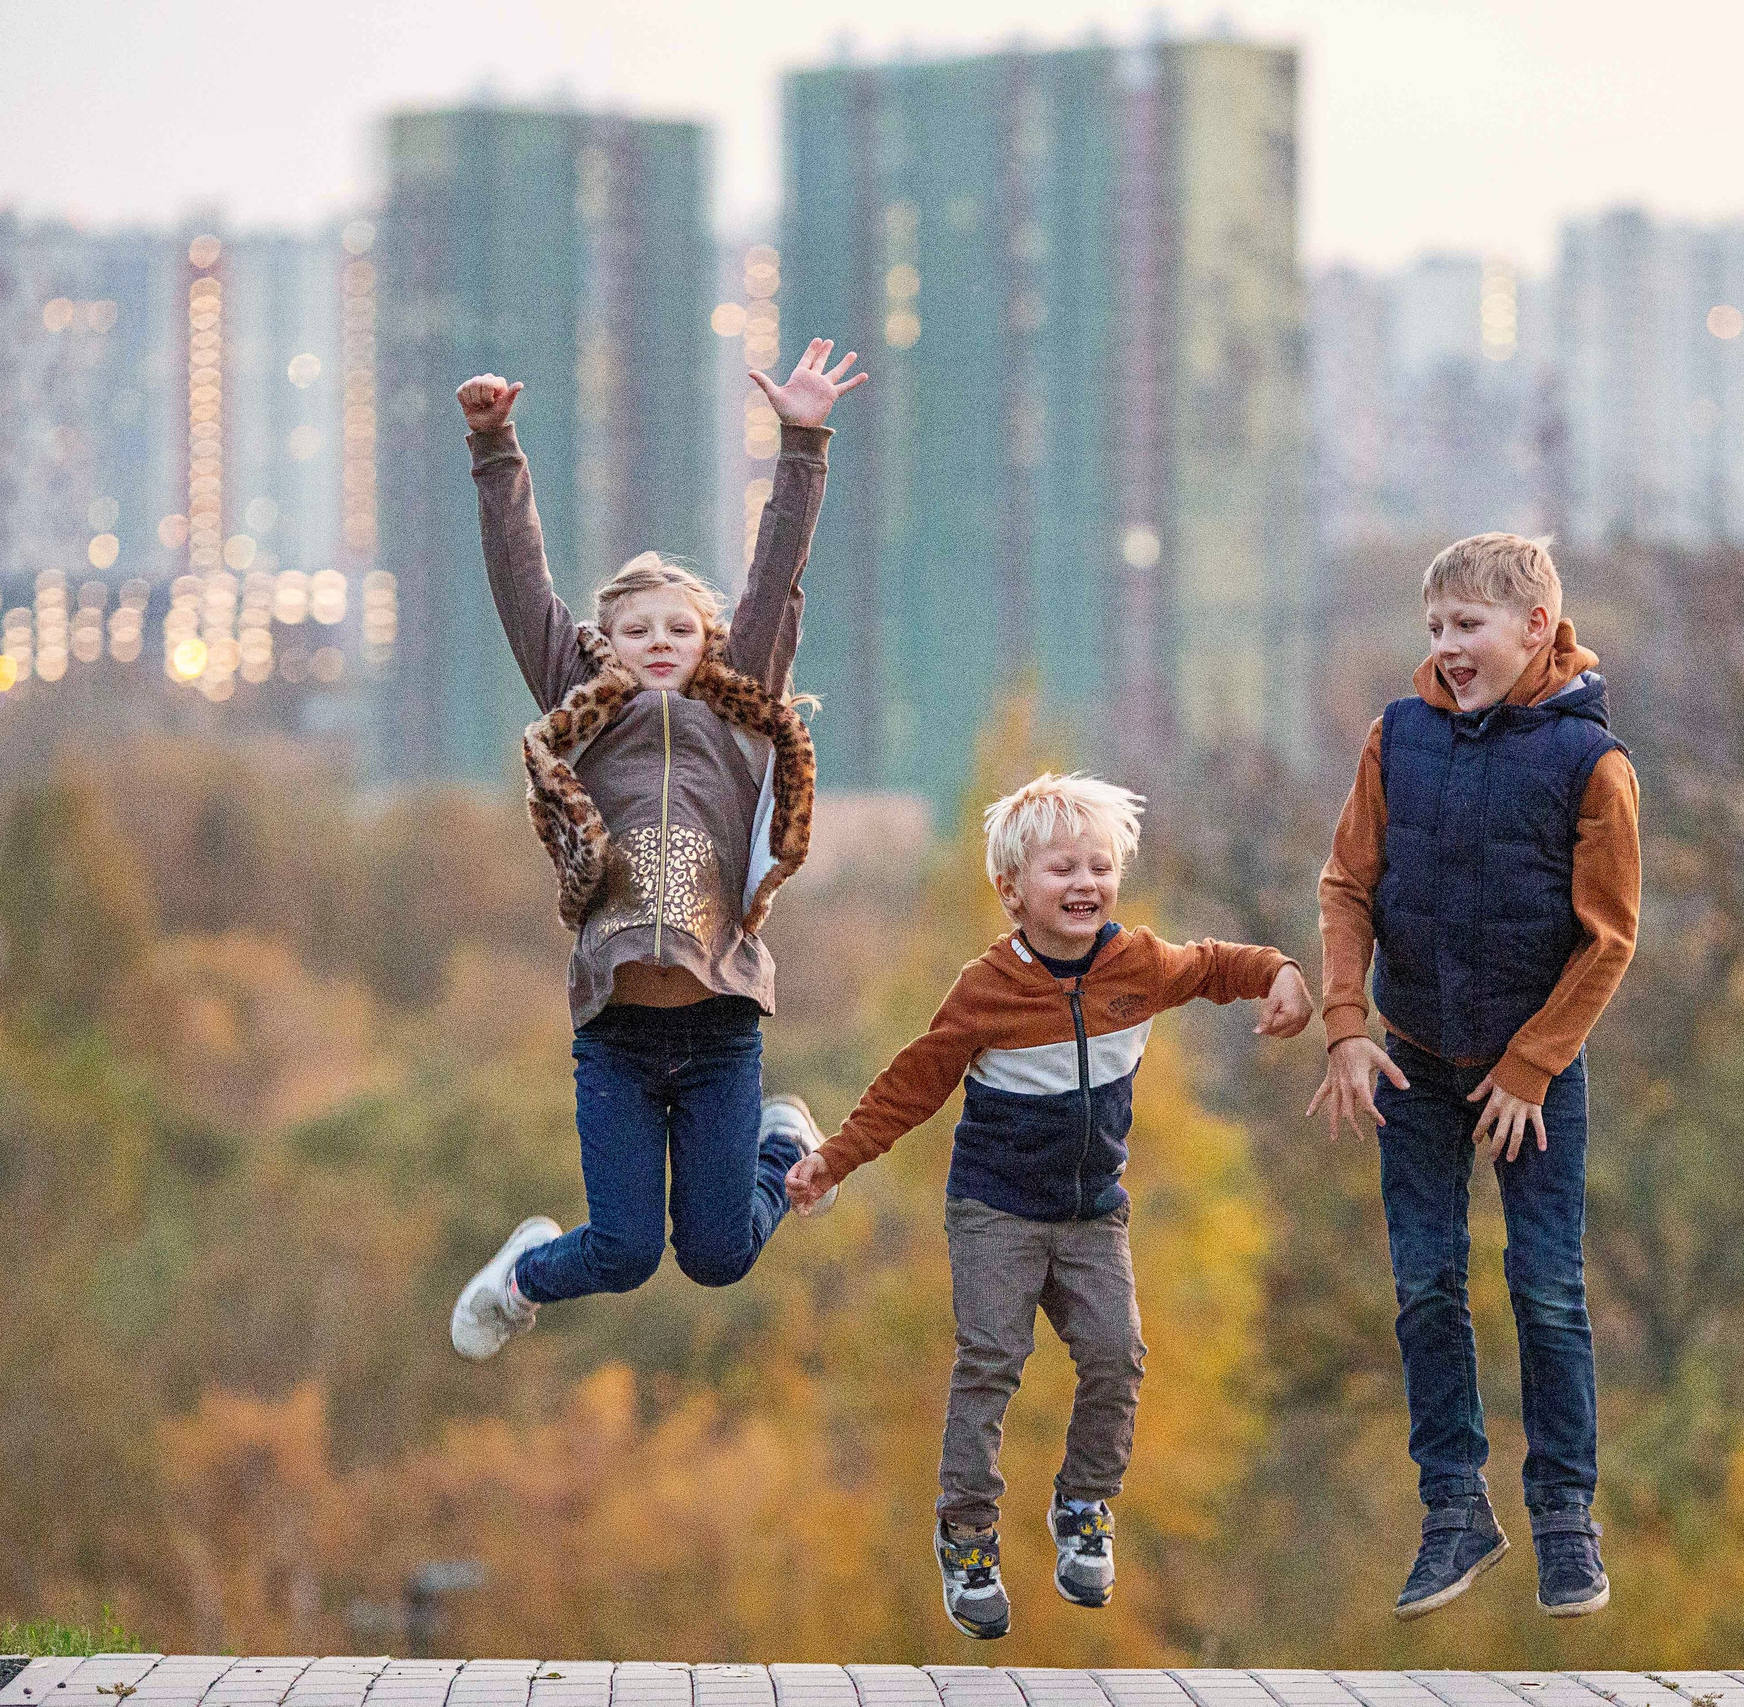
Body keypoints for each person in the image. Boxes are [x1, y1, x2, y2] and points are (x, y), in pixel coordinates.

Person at [784, 773, 1313, 1638]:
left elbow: (1216, 964)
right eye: (1062, 867)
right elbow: (913, 1084)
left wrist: (1280, 974)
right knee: (992, 1355)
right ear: (1012, 890)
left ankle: (1084, 1506)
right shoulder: (987, 987)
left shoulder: (1136, 964)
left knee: (1118, 1354)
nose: (1085, 883)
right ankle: (967, 1530)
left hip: (1093, 1213)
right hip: (996, 1210)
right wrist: (835, 1159)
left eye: (1100, 866)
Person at [445, 339, 867, 1363]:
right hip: (619, 1038)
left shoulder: (742, 709)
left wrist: (802, 440)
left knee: (719, 1254)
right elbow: (519, 583)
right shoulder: (580, 712)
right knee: (628, 1251)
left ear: (712, 639)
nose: (663, 641)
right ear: (607, 643)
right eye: (640, 630)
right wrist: (495, 445)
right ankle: (521, 1277)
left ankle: (778, 1139)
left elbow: (777, 571)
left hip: (719, 1029)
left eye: (683, 627)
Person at [1307, 531, 1642, 1620]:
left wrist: (1534, 1067)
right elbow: (1347, 887)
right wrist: (1347, 1026)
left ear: (1534, 627)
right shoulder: (1395, 740)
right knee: (1423, 1283)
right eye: (1435, 629)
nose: (1446, 648)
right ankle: (1454, 1506)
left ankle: (1563, 1520)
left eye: (1468, 627)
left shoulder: (1592, 764)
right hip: (1414, 1059)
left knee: (1545, 1290)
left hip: (1531, 1079)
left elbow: (1608, 938)